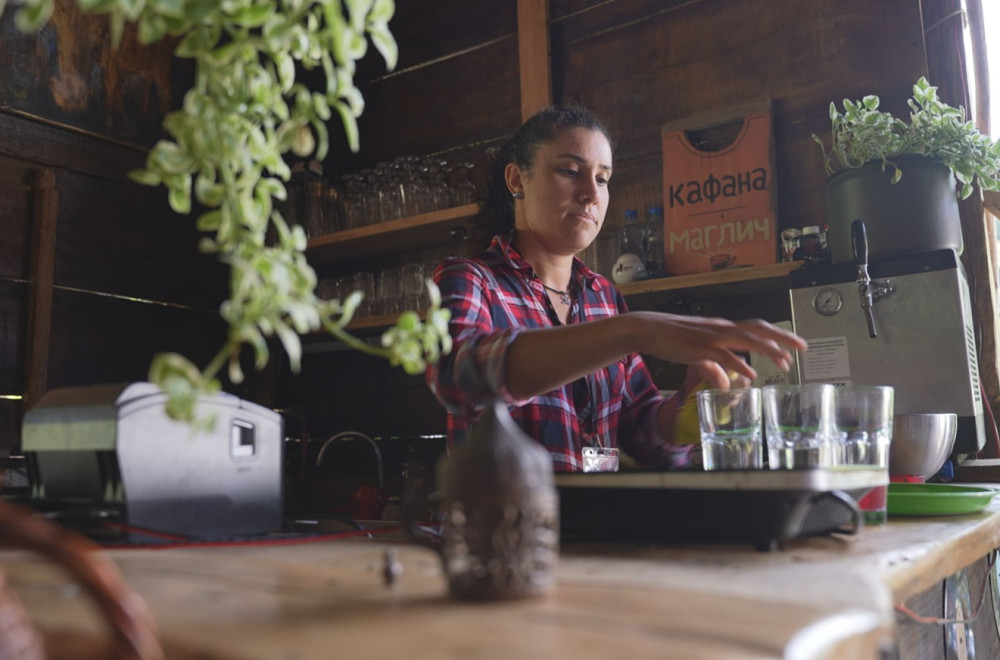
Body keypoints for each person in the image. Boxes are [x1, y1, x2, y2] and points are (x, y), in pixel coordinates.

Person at [425, 106, 806, 472]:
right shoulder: (468, 279)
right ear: (516, 180)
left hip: (596, 533)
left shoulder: (602, 297)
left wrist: (688, 409)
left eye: (603, 178)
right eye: (571, 171)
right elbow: (460, 377)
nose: (591, 193)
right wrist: (633, 330)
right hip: (503, 532)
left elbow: (642, 432)